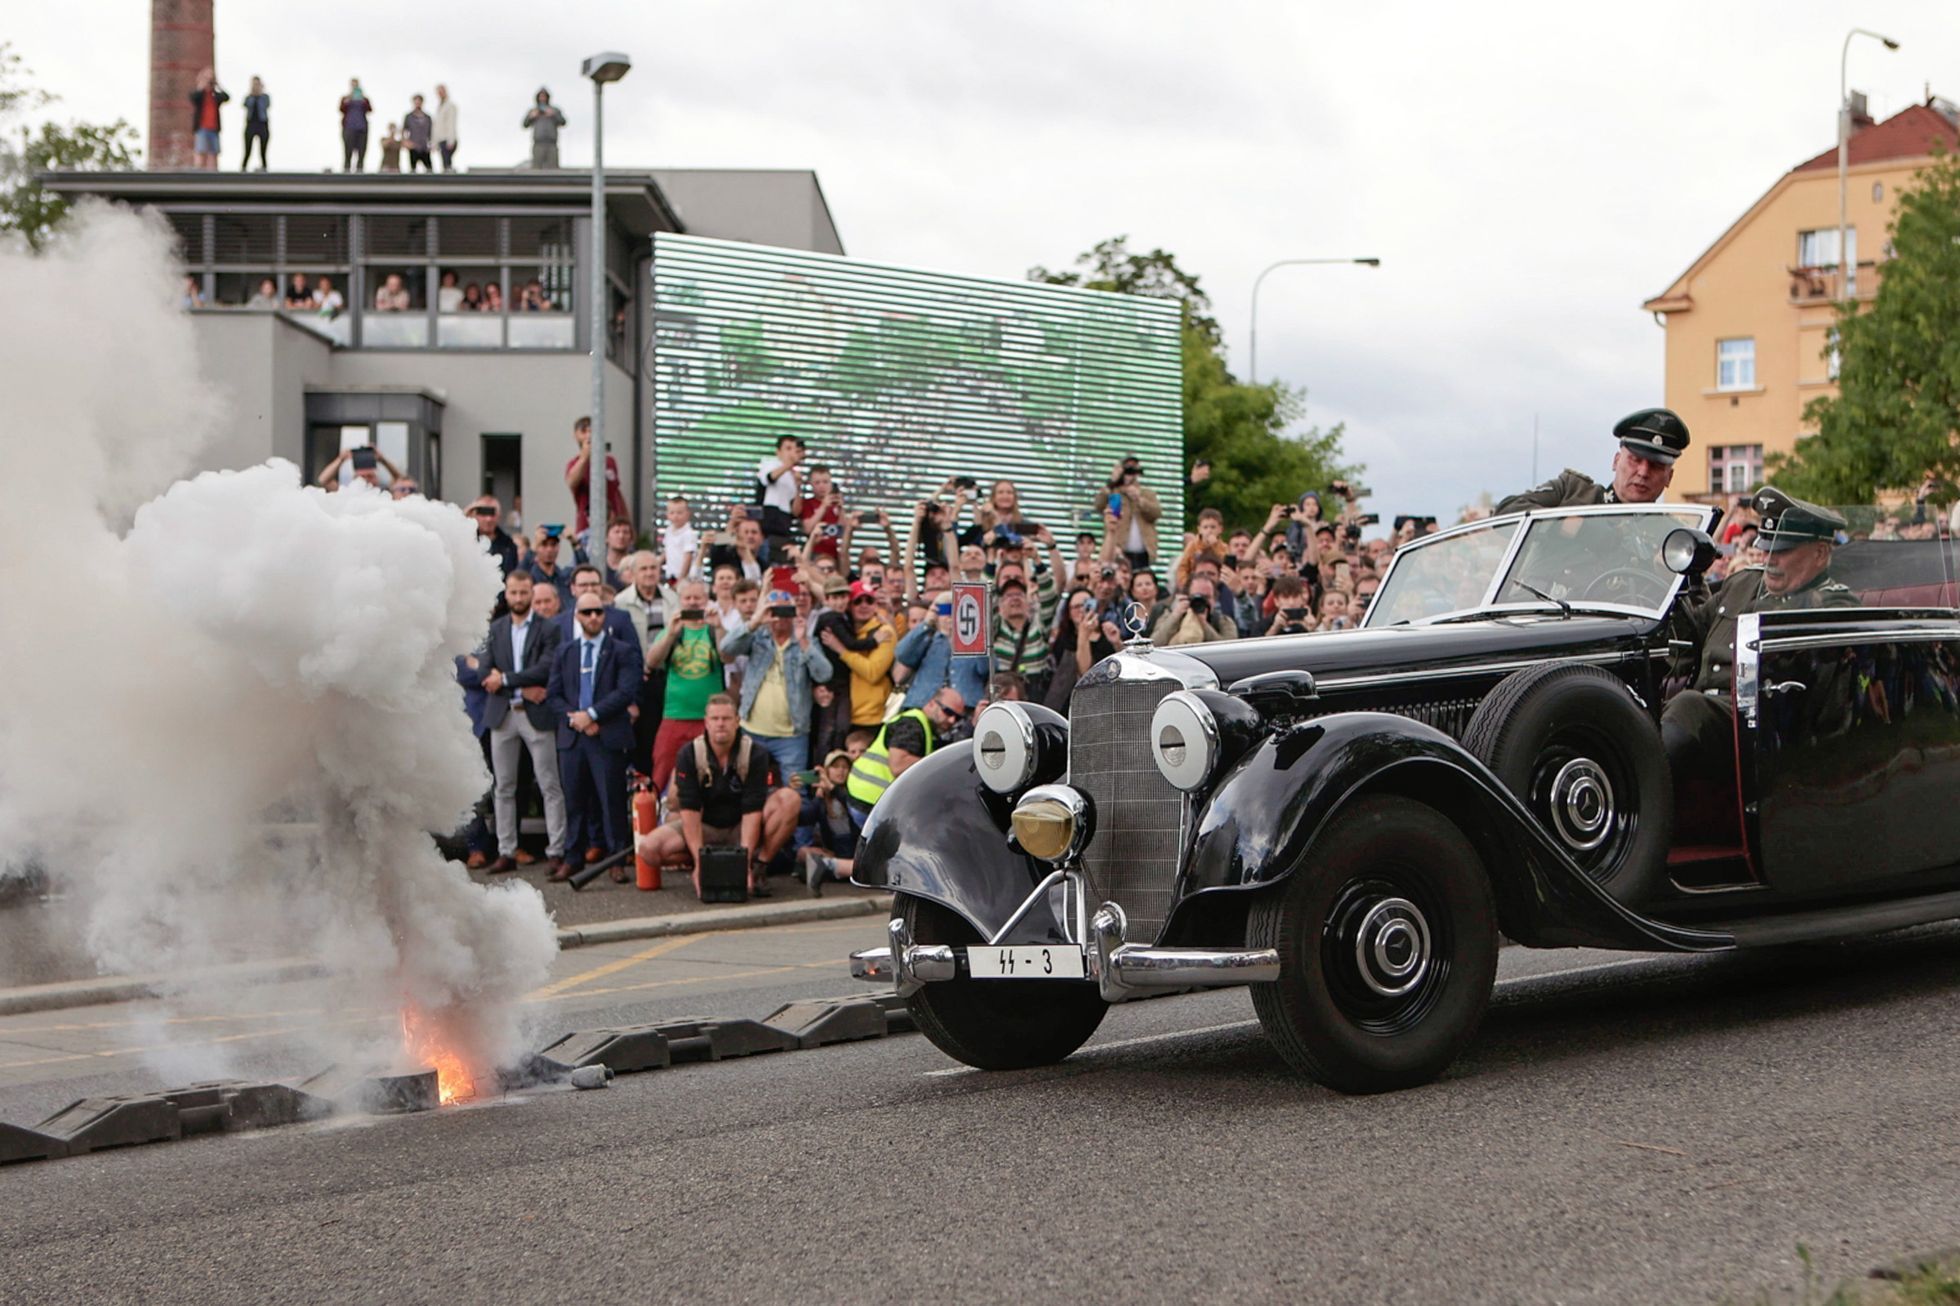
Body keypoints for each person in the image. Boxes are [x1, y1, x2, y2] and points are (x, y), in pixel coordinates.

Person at [1661, 488, 1859, 802]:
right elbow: (1689, 636)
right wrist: (1678, 586)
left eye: (1783, 550)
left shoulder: (1835, 601)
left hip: (1762, 723)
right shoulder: (1743, 584)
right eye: (1766, 548)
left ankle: (1638, 804)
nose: (1770, 560)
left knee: (1688, 707)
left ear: (1821, 554)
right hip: (1703, 722)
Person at [638, 695, 800, 900]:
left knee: (789, 799)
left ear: (737, 721)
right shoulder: (688, 754)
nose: (720, 724)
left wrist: (743, 864)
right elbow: (689, 811)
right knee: (648, 850)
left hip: (741, 825)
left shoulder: (755, 753)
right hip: (705, 826)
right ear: (706, 722)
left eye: (726, 718)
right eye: (715, 719)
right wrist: (700, 864)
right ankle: (709, 865)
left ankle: (759, 867)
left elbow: (753, 809)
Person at [472, 571, 569, 876]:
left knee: (549, 783)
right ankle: (506, 850)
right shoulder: (496, 628)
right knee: (503, 786)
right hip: (503, 714)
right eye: (513, 593)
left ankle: (556, 850)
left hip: (536, 716)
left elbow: (545, 668)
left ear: (531, 593)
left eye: (523, 593)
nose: (518, 598)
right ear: (507, 593)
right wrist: (517, 685)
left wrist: (507, 679)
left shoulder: (548, 629)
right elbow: (483, 672)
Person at [547, 594, 643, 879]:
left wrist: (592, 714)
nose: (593, 617)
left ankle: (616, 861)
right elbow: (553, 695)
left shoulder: (622, 651)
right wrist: (576, 718)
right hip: (573, 737)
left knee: (611, 800)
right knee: (574, 801)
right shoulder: (566, 652)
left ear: (605, 615)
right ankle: (573, 857)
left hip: (607, 734)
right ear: (576, 615)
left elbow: (626, 690)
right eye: (586, 612)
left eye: (598, 612)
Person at [719, 589, 833, 778]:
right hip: (752, 730)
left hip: (792, 735)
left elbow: (824, 674)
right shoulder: (757, 638)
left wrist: (803, 640)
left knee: (797, 790)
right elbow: (726, 647)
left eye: (786, 611)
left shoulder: (806, 641)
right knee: (743, 785)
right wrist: (755, 622)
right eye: (775, 611)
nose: (781, 617)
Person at [1496, 409, 1691, 512]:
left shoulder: (1671, 539)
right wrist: (1566, 526)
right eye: (1635, 460)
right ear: (1616, 461)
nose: (1643, 472)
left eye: (1656, 466)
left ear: (1669, 477)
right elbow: (1507, 510)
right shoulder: (1571, 491)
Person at [843, 685, 966, 831]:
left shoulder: (922, 726)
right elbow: (898, 765)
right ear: (932, 703)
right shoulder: (912, 725)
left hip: (866, 797)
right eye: (948, 712)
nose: (952, 720)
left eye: (957, 717)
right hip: (871, 802)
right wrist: (939, 767)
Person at [646, 578, 726, 797]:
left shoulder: (713, 629)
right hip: (674, 716)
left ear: (707, 600)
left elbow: (727, 656)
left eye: (697, 598)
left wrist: (718, 627)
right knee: (661, 773)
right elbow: (652, 662)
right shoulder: (673, 630)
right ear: (680, 601)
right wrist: (671, 634)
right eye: (687, 598)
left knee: (713, 776)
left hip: (709, 718)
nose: (692, 603)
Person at [893, 590, 989, 712]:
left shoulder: (974, 641)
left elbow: (985, 668)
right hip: (923, 704)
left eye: (954, 610)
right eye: (945, 610)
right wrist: (927, 623)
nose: (949, 616)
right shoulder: (927, 638)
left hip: (965, 707)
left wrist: (975, 631)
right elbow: (902, 654)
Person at [820, 581, 897, 728]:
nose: (864, 605)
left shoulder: (884, 632)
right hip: (844, 714)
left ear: (875, 605)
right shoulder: (844, 631)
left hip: (873, 718)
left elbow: (872, 673)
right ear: (849, 605)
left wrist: (842, 650)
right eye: (858, 601)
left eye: (869, 600)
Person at [563, 415, 628, 552]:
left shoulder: (610, 462)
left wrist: (625, 519)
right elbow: (571, 482)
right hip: (587, 528)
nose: (589, 435)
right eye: (584, 431)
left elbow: (617, 492)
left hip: (614, 527)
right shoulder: (574, 463)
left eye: (592, 430)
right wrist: (585, 456)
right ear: (576, 435)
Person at [1099, 455, 1162, 570]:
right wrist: (1112, 482)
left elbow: (1157, 513)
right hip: (1119, 552)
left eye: (1133, 470)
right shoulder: (1113, 492)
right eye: (1127, 469)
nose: (1130, 474)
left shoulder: (1147, 493)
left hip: (1143, 554)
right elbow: (1099, 505)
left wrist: (1139, 499)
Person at [755, 434, 805, 552]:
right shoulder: (770, 464)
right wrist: (788, 464)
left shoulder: (794, 475)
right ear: (778, 452)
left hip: (783, 523)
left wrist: (798, 487)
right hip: (767, 519)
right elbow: (769, 478)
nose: (791, 453)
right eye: (788, 449)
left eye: (794, 449)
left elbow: (795, 511)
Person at [466, 494, 520, 576]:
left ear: (499, 516)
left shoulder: (508, 545)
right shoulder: (466, 540)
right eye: (483, 513)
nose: (488, 519)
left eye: (492, 513)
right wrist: (465, 515)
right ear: (475, 515)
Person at [188, 68, 227, 170]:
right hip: (201, 128)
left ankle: (212, 174)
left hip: (214, 128)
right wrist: (201, 84)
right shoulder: (200, 95)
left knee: (213, 153)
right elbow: (193, 97)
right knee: (200, 151)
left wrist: (217, 85)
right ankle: (198, 172)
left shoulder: (215, 95)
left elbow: (226, 97)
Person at [522, 88, 566, 169]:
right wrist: (531, 117)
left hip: (551, 144)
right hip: (538, 144)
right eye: (541, 97)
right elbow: (524, 124)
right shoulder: (533, 111)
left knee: (553, 169)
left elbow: (563, 122)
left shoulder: (554, 110)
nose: (542, 99)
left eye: (544, 97)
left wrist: (553, 115)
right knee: (536, 168)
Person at [340, 78, 374, 172]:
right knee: (348, 149)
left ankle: (360, 168)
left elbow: (370, 110)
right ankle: (346, 169)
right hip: (349, 127)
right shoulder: (346, 98)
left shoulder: (364, 99)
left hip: (361, 128)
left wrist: (363, 99)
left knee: (362, 150)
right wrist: (348, 100)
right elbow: (341, 109)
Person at [240, 76, 269, 170]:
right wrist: (252, 95)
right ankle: (243, 167)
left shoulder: (265, 97)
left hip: (262, 124)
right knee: (247, 149)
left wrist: (260, 93)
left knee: (263, 150)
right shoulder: (249, 97)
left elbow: (266, 105)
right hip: (251, 124)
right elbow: (246, 105)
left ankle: (264, 167)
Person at [403, 94, 434, 172]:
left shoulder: (427, 118)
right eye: (416, 102)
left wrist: (431, 145)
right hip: (413, 147)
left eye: (419, 102)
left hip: (424, 147)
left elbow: (431, 133)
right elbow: (404, 131)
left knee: (429, 169)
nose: (417, 104)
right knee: (412, 170)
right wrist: (406, 142)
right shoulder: (409, 117)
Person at [433, 84, 459, 170]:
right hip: (441, 140)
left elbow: (451, 123)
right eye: (438, 92)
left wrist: (450, 140)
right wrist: (434, 142)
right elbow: (437, 127)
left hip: (447, 139)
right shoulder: (439, 107)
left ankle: (451, 179)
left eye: (442, 91)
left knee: (447, 164)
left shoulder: (450, 106)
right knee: (444, 163)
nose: (440, 94)